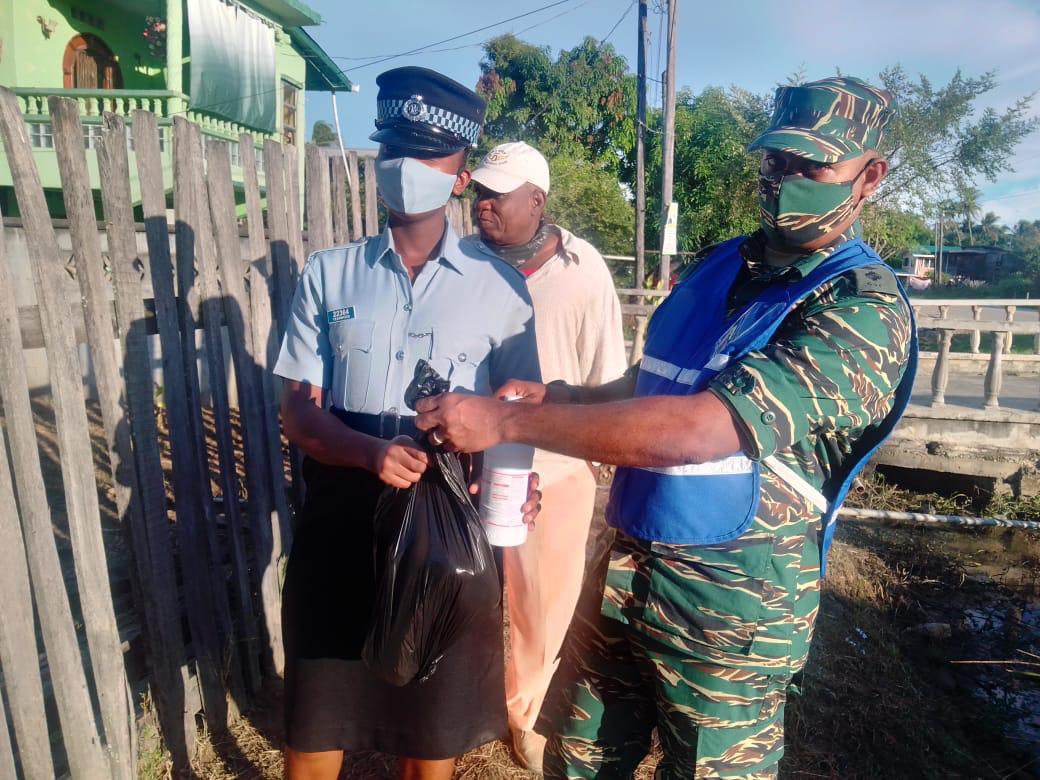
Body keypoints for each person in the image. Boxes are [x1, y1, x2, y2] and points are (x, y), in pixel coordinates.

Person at [415, 76, 918, 778]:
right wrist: (557, 395)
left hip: (733, 609)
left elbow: (700, 428)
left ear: (869, 178)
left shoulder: (860, 310)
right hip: (625, 572)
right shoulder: (719, 267)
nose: (788, 180)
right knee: (579, 762)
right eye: (777, 162)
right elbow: (653, 386)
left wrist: (505, 420)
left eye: (814, 166)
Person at [273, 66, 542, 780]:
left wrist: (511, 479)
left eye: (426, 156)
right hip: (341, 526)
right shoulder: (328, 276)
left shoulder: (502, 290)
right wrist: (365, 453)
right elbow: (297, 410)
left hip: (442, 539)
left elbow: (521, 408)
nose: (403, 169)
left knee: (430, 745)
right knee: (315, 732)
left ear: (460, 177)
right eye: (392, 149)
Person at [463, 141, 627, 772]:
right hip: (469, 464)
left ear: (537, 199)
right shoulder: (461, 264)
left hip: (555, 472)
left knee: (543, 603)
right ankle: (461, 702)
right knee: (468, 591)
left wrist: (592, 455)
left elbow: (606, 379)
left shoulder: (584, 272)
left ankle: (523, 714)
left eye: (499, 193)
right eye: (480, 191)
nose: (484, 204)